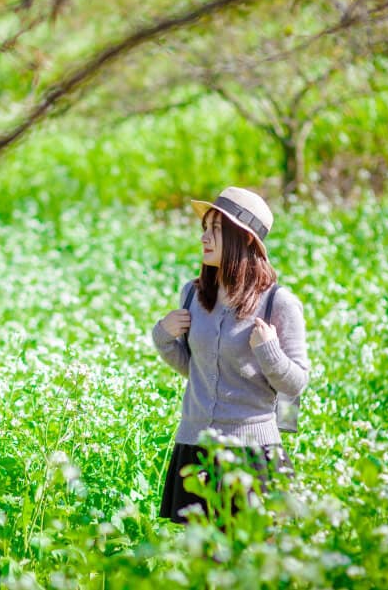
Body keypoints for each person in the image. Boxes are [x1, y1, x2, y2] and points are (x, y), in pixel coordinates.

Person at [152, 186, 310, 525]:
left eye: (216, 230)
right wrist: (163, 338)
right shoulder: (193, 294)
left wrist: (269, 352)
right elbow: (199, 370)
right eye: (204, 229)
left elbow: (296, 382)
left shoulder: (278, 303)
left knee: (251, 569)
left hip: (251, 453)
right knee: (204, 568)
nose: (204, 238)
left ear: (246, 240)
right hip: (195, 447)